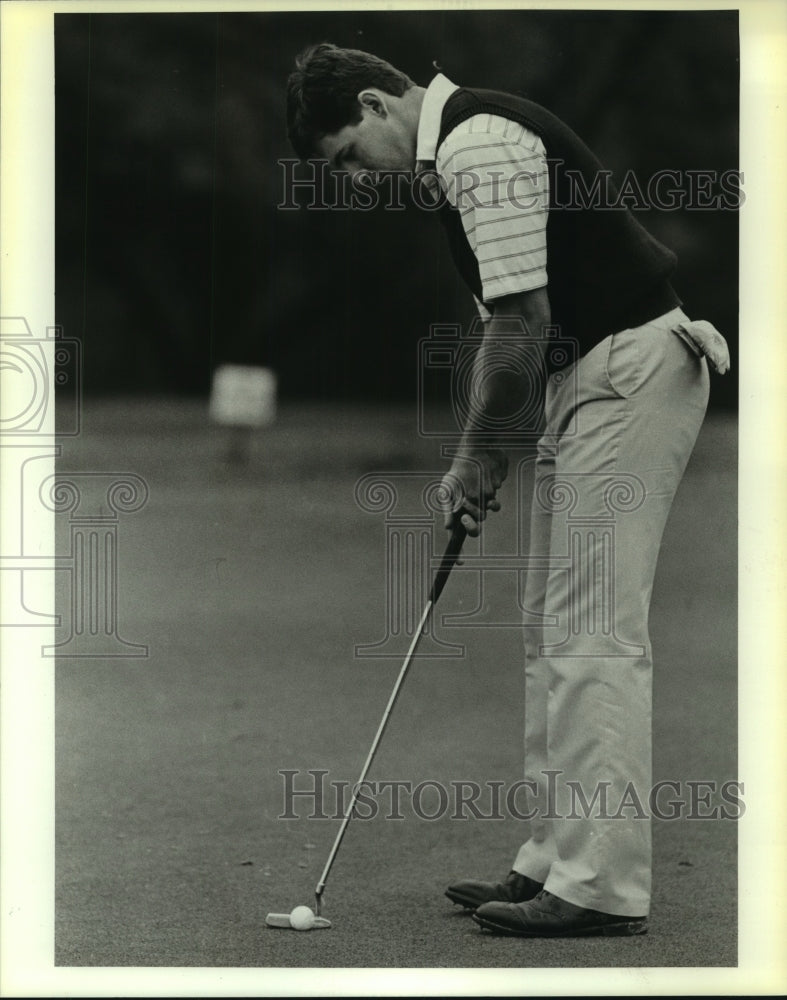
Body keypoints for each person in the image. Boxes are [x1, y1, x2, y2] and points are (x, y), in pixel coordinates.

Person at [285, 43, 729, 937]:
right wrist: (490, 446)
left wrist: (479, 457)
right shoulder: (458, 153)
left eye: (347, 157)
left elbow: (523, 321)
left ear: (376, 104)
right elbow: (515, 327)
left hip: (631, 370)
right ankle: (553, 859)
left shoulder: (478, 144)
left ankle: (599, 885)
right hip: (587, 379)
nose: (357, 180)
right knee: (549, 625)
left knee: (592, 629)